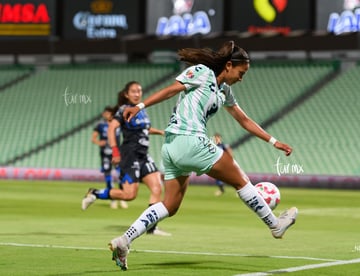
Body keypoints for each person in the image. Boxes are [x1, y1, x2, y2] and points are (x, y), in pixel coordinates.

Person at [108, 41, 298, 271]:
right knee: (239, 179)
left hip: (173, 147)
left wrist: (274, 141)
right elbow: (171, 90)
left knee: (170, 205)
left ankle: (125, 240)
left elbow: (244, 120)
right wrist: (139, 106)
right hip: (188, 140)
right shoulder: (201, 72)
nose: (242, 77)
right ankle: (275, 225)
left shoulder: (224, 90)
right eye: (241, 72)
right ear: (228, 65)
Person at [82, 81, 171, 236]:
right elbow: (112, 128)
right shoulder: (123, 110)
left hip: (144, 155)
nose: (137, 94)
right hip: (129, 155)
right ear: (126, 94)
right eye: (134, 91)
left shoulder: (142, 110)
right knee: (129, 195)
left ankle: (151, 228)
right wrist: (115, 152)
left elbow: (145, 129)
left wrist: (161, 132)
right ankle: (95, 193)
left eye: (139, 91)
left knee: (157, 188)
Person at [91, 106, 128, 209]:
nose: (105, 115)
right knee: (108, 176)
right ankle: (112, 199)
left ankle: (122, 198)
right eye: (105, 113)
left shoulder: (118, 124)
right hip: (105, 154)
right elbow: (93, 138)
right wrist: (99, 142)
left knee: (121, 175)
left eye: (108, 113)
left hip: (116, 154)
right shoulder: (100, 125)